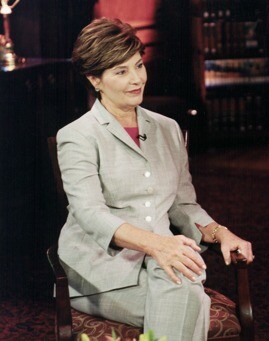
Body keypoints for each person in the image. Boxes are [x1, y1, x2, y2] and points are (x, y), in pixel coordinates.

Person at [56, 17, 254, 340]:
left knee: (179, 286)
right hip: (102, 272)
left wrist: (221, 233)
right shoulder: (77, 136)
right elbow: (90, 215)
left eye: (138, 65)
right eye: (121, 72)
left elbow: (183, 206)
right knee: (187, 294)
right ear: (95, 79)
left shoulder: (168, 129)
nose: (136, 79)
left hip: (165, 264)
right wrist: (159, 245)